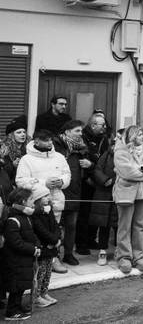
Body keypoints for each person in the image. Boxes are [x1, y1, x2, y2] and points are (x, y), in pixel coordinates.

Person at [15, 129, 71, 274]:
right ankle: (38, 261)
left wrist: (62, 181)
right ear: (37, 141)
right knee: (38, 232)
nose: (50, 143)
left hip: (56, 199)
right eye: (46, 140)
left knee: (55, 230)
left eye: (51, 140)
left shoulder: (59, 156)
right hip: (36, 202)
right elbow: (20, 181)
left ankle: (54, 259)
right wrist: (43, 183)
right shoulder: (26, 159)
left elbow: (67, 174)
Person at [113, 125, 143, 274]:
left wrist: (141, 168)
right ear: (132, 136)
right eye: (140, 135)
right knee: (124, 225)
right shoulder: (120, 150)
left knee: (140, 225)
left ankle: (139, 256)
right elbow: (126, 171)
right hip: (126, 192)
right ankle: (124, 257)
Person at [52, 119, 90, 268]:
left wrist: (89, 164)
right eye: (77, 131)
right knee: (54, 226)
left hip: (75, 191)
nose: (81, 134)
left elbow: (93, 164)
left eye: (81, 131)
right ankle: (54, 256)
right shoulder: (55, 146)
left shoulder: (82, 148)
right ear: (67, 132)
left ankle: (68, 254)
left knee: (71, 225)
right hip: (58, 191)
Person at [2, 187, 41, 321]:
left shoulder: (25, 217)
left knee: (21, 286)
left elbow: (31, 234)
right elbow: (16, 243)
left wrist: (37, 245)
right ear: (23, 201)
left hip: (23, 260)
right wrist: (33, 249)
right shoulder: (13, 220)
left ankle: (17, 307)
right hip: (15, 260)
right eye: (31, 199)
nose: (33, 202)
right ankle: (11, 312)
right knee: (16, 286)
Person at [77, 114, 110, 255]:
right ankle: (81, 243)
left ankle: (91, 239)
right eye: (102, 125)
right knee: (83, 213)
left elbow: (104, 160)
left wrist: (93, 166)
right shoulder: (82, 138)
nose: (104, 127)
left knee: (95, 212)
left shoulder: (104, 139)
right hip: (85, 181)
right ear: (93, 125)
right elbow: (83, 161)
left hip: (98, 180)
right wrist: (91, 170)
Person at [88, 129, 117, 267]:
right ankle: (102, 250)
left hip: (119, 193)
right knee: (103, 225)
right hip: (104, 193)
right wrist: (105, 180)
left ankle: (119, 250)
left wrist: (115, 180)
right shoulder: (106, 155)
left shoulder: (128, 156)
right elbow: (97, 169)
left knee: (119, 224)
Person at [29, 184, 60, 308]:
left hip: (51, 246)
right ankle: (36, 297)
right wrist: (53, 241)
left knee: (47, 271)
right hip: (43, 246)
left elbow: (56, 226)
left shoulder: (49, 210)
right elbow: (40, 230)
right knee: (40, 273)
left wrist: (57, 238)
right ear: (38, 199)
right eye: (45, 196)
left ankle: (44, 292)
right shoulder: (35, 214)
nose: (48, 197)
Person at [1, 116, 28, 182]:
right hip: (9, 182)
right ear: (11, 135)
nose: (23, 135)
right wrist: (12, 165)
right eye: (19, 132)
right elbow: (2, 171)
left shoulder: (30, 147)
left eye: (24, 132)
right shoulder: (4, 149)